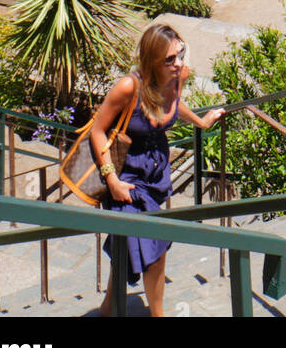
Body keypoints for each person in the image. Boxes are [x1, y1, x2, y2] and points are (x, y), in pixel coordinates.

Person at [92, 23, 224, 317]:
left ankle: (107, 309)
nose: (178, 63)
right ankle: (158, 315)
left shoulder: (178, 77)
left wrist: (202, 122)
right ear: (152, 61)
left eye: (181, 54)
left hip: (155, 178)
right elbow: (98, 131)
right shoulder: (129, 87)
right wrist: (111, 179)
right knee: (156, 251)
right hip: (126, 178)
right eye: (170, 59)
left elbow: (175, 104)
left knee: (132, 245)